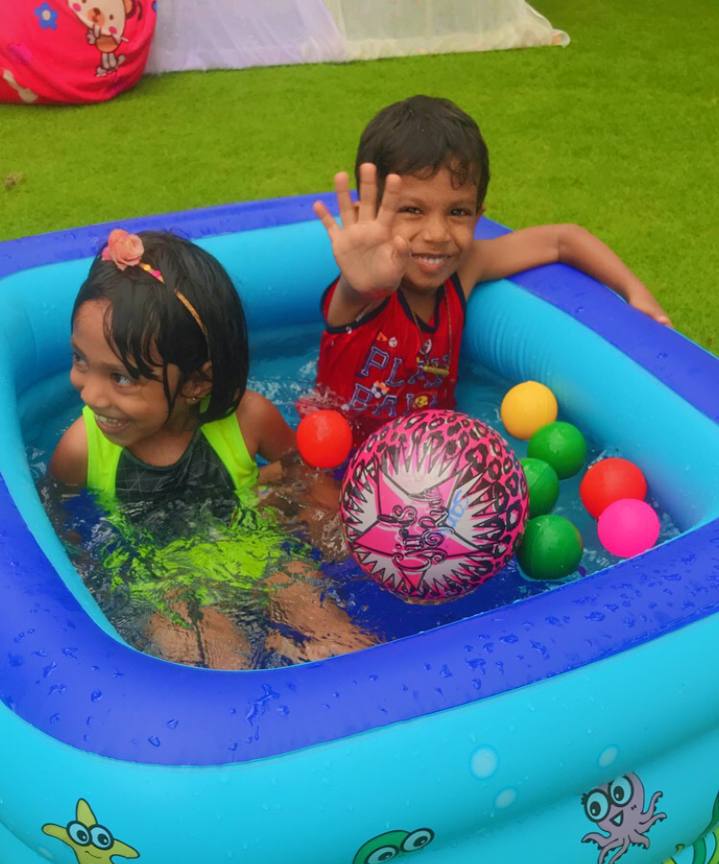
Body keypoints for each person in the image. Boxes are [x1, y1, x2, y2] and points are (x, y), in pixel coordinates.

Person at [50, 228, 370, 667]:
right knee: (216, 665)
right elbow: (55, 518)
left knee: (343, 643)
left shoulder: (248, 419)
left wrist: (331, 527)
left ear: (196, 382)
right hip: (164, 583)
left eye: (120, 377)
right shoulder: (82, 446)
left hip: (257, 553)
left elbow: (303, 473)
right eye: (80, 361)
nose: (91, 395)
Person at [313, 95, 670, 447]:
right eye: (412, 210)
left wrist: (633, 290)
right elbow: (353, 293)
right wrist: (360, 287)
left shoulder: (463, 272)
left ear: (478, 214)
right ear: (371, 216)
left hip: (429, 457)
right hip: (337, 461)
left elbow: (563, 240)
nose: (437, 235)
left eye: (458, 213)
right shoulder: (361, 295)